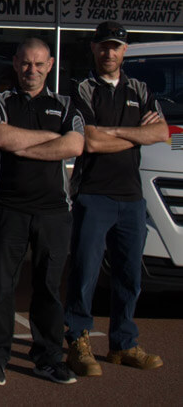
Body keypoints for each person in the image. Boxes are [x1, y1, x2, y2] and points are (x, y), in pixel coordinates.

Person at [64, 21, 169, 376]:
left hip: (132, 197)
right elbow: (90, 141)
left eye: (116, 47)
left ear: (125, 50)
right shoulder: (82, 88)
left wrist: (122, 133)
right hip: (93, 194)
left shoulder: (140, 88)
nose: (109, 52)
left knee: (129, 276)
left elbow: (162, 132)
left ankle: (123, 344)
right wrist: (139, 134)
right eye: (104, 46)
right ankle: (78, 341)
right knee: (85, 273)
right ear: (93, 48)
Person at [0, 38, 84, 387]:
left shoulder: (66, 103)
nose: (31, 71)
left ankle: (48, 357)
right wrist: (49, 140)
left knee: (49, 289)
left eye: (39, 64)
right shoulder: (1, 100)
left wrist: (27, 145)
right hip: (8, 209)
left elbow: (75, 145)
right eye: (25, 64)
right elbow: (0, 136)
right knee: (0, 289)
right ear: (15, 63)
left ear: (50, 65)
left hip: (53, 212)